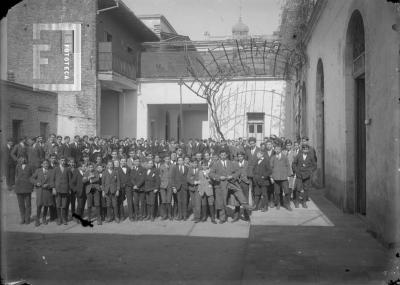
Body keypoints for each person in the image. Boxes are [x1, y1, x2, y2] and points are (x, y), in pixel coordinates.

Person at [209, 150, 252, 223]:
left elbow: (238, 171)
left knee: (238, 191)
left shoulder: (231, 163)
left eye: (224, 155)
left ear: (226, 155)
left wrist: (232, 176)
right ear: (220, 156)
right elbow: (211, 174)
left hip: (231, 182)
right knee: (222, 201)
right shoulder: (216, 164)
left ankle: (246, 205)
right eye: (221, 155)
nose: (223, 156)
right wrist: (219, 177)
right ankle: (222, 218)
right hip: (221, 184)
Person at [292, 144, 317, 208]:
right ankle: (297, 202)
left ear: (308, 150)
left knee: (306, 189)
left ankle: (304, 202)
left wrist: (310, 171)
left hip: (307, 175)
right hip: (299, 175)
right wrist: (296, 171)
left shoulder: (310, 156)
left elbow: (314, 165)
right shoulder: (298, 156)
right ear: (302, 150)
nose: (305, 150)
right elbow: (294, 163)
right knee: (298, 188)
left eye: (306, 149)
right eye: (304, 149)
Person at [31, 159, 53, 226]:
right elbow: (31, 178)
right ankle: (37, 219)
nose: (46, 165)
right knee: (39, 205)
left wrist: (49, 185)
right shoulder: (38, 171)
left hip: (47, 191)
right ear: (42, 164)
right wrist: (36, 183)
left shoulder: (51, 171)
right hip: (40, 191)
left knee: (46, 205)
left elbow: (53, 181)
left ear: (49, 164)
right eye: (44, 163)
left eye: (47, 163)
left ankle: (44, 218)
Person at [270, 144, 292, 211]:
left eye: (278, 149)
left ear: (281, 150)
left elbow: (288, 166)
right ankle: (278, 203)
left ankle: (287, 204)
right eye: (276, 149)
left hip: (284, 177)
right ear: (274, 150)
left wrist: (288, 175)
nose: (277, 150)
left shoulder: (284, 157)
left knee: (287, 191)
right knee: (277, 192)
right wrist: (271, 177)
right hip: (276, 178)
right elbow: (270, 168)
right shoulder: (273, 158)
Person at [51, 156, 71, 225]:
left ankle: (64, 218)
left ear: (65, 162)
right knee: (58, 205)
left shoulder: (67, 169)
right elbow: (52, 180)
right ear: (59, 161)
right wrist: (53, 188)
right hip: (58, 190)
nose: (63, 162)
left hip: (65, 190)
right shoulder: (55, 169)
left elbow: (69, 180)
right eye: (61, 160)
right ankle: (59, 219)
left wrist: (69, 189)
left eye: (64, 160)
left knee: (64, 205)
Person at [14, 156, 33, 225]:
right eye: (21, 158)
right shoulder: (17, 166)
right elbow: (16, 176)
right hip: (19, 188)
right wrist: (16, 186)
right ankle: (23, 218)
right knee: (21, 205)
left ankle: (27, 218)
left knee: (28, 204)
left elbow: (32, 176)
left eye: (24, 158)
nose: (22, 160)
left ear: (26, 159)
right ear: (19, 159)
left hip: (27, 188)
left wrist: (31, 186)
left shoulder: (29, 166)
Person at [171, 157, 189, 221]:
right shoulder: (175, 168)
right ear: (177, 161)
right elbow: (172, 178)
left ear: (183, 161)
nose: (180, 161)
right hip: (178, 187)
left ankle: (185, 216)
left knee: (185, 201)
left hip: (184, 187)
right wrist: (174, 187)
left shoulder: (186, 168)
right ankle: (180, 215)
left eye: (182, 160)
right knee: (179, 202)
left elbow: (188, 177)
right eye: (179, 160)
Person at [130, 156, 145, 221]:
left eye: (138, 161)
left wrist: (138, 185)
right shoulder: (132, 170)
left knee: (142, 203)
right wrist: (135, 185)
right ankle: (136, 214)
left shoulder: (143, 169)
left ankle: (141, 215)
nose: (137, 162)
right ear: (133, 162)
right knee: (135, 202)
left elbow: (143, 179)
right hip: (135, 189)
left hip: (141, 188)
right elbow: (131, 178)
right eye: (136, 161)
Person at [237, 152, 251, 221]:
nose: (240, 158)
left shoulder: (247, 163)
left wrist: (248, 179)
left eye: (241, 156)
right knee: (237, 198)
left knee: (245, 199)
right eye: (239, 156)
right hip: (238, 183)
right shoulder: (235, 163)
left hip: (245, 183)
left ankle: (246, 214)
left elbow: (250, 172)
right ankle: (236, 215)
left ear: (243, 157)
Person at [159, 155, 173, 220]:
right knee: (164, 201)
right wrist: (161, 183)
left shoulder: (172, 166)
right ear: (164, 159)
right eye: (166, 159)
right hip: (163, 186)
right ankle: (164, 215)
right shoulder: (161, 166)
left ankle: (169, 214)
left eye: (168, 159)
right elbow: (160, 176)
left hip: (170, 185)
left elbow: (173, 176)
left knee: (169, 200)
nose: (167, 160)